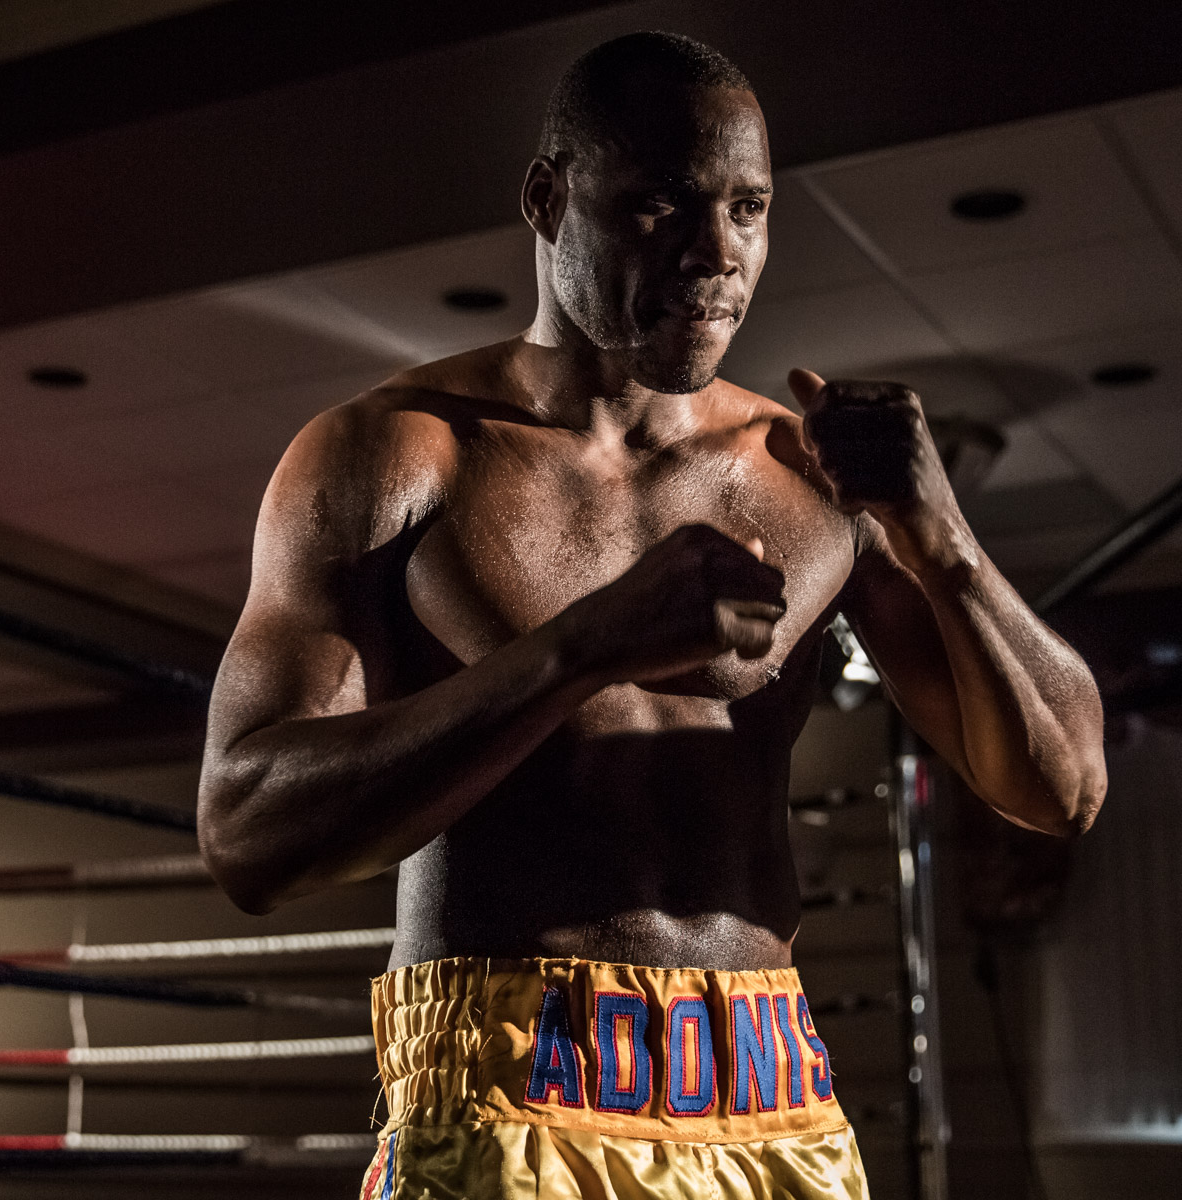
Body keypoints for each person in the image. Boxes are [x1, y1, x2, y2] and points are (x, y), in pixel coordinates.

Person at [195, 29, 1107, 1200]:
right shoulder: (389, 456)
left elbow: (1064, 788)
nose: (716, 252)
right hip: (508, 1095)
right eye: (662, 202)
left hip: (774, 1106)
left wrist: (944, 540)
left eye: (748, 207)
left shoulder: (813, 476)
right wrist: (583, 649)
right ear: (547, 197)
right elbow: (248, 835)